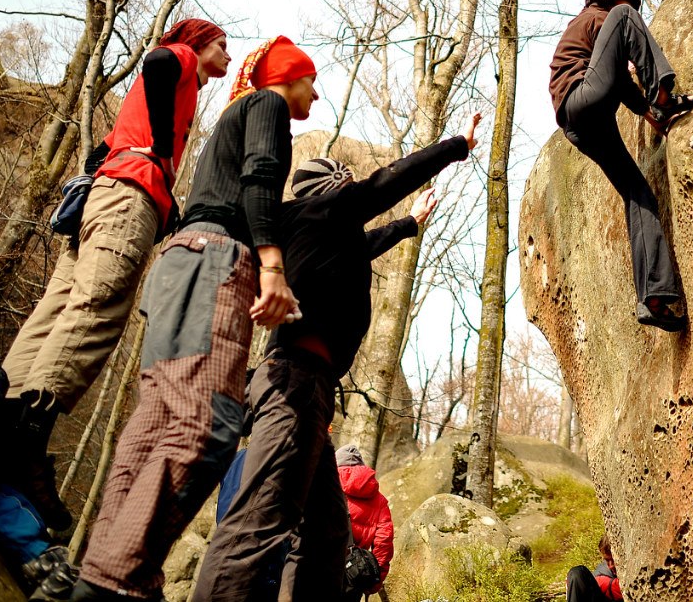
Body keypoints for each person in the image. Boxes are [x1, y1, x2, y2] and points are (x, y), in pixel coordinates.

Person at [191, 114, 481, 602]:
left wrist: (411, 223)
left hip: (305, 389)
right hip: (296, 386)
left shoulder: (308, 232)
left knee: (326, 536)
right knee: (255, 526)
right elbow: (389, 180)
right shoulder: (326, 212)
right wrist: (457, 146)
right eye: (344, 182)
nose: (351, 186)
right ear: (331, 188)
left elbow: (363, 244)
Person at [71, 36, 317, 602]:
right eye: (310, 79)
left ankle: (101, 572)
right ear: (289, 76)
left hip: (180, 260)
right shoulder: (268, 106)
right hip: (218, 262)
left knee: (156, 420)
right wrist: (272, 265)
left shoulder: (231, 118)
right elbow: (259, 178)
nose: (315, 92)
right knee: (206, 425)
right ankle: (116, 582)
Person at [0, 19, 231, 530]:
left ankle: (0, 414)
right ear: (199, 43)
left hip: (102, 198)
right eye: (222, 46)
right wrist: (163, 157)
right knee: (98, 308)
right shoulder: (183, 60)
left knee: (59, 306)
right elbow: (158, 61)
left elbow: (97, 153)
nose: (228, 58)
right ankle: (26, 438)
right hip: (128, 199)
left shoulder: (160, 96)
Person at [549, 0, 693, 332]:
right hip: (582, 100)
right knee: (624, 18)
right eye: (629, 2)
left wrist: (650, 115)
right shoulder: (598, 15)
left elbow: (615, 80)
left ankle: (654, 297)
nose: (633, 12)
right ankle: (662, 92)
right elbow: (617, 59)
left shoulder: (593, 34)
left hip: (581, 124)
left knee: (639, 195)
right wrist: (657, 98)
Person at [334, 445, 394, 597]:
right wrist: (375, 580)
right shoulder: (379, 500)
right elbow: (384, 543)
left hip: (320, 569)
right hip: (354, 575)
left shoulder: (325, 487)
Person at [565, 535, 622, 602]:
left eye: (613, 560)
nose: (611, 565)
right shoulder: (602, 574)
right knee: (576, 573)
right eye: (607, 560)